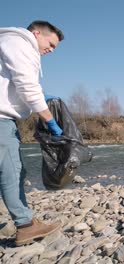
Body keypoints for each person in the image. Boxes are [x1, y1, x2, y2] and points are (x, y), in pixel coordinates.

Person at [0, 20, 65, 246]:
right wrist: (49, 120)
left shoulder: (9, 42)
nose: (51, 50)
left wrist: (39, 96)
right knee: (12, 172)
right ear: (36, 33)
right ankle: (25, 226)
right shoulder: (20, 44)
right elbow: (26, 85)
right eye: (50, 43)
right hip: (1, 119)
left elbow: (14, 83)